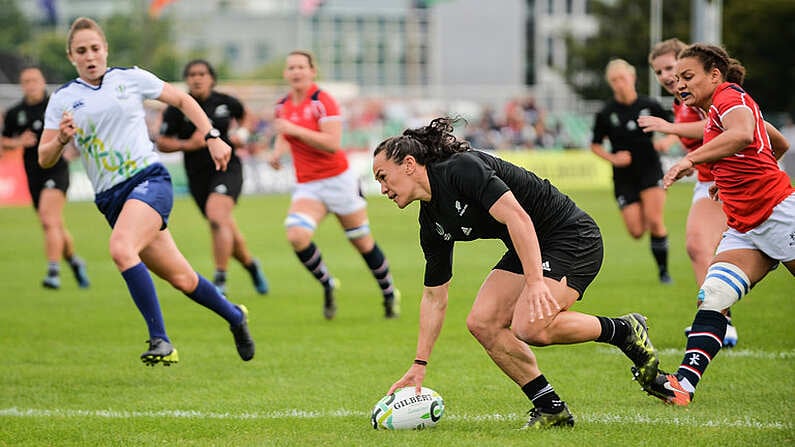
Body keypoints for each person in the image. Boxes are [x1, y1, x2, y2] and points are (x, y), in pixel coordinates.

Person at [373, 117, 661, 429]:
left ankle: (624, 331)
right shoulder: (432, 223)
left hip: (570, 235)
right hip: (529, 244)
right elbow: (434, 297)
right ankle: (550, 408)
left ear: (409, 164)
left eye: (383, 176)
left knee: (530, 326)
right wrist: (419, 363)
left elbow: (517, 217)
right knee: (482, 322)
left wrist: (536, 282)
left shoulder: (461, 169)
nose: (382, 188)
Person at [38, 17, 255, 366]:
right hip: (111, 199)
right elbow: (44, 157)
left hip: (149, 181)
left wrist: (212, 136)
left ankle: (161, 340)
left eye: (95, 48)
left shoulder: (129, 78)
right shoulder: (63, 99)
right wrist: (61, 139)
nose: (90, 55)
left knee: (122, 249)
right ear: (71, 56)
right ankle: (235, 317)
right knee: (183, 278)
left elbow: (183, 100)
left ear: (105, 48)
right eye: (81, 51)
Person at [642, 44, 793, 406]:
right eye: (677, 79)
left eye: (687, 77)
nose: (679, 84)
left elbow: (743, 133)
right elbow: (777, 142)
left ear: (714, 75)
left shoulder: (729, 96)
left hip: (778, 213)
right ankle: (683, 385)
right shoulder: (711, 111)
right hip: (745, 225)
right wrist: (732, 181)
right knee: (714, 297)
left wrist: (687, 160)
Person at [268, 50, 399, 319]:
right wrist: (278, 151)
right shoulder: (282, 105)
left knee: (362, 243)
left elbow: (331, 144)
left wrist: (294, 131)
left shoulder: (322, 101)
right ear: (285, 73)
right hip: (308, 185)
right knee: (296, 236)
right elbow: (285, 132)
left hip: (338, 180)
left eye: (301, 67)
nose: (296, 72)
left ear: (312, 71)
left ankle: (388, 292)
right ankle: (327, 283)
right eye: (291, 67)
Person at [156, 59, 269, 296]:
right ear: (187, 79)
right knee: (223, 224)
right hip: (197, 175)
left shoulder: (225, 102)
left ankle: (220, 279)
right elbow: (162, 142)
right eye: (192, 74)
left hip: (228, 168)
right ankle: (251, 265)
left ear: (211, 78)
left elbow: (247, 116)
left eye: (202, 74)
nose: (197, 78)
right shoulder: (178, 107)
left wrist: (243, 133)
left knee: (217, 217)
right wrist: (188, 144)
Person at [1, 66, 90, 290]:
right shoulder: (15, 113)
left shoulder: (57, 106)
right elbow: (4, 142)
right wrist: (17, 142)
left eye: (35, 80)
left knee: (49, 219)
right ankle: (74, 261)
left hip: (56, 169)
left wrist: (74, 150)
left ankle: (53, 272)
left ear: (42, 82)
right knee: (53, 224)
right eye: (26, 81)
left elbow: (79, 131)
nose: (31, 84)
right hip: (32, 172)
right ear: (22, 85)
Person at [591, 59, 673, 284]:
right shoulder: (606, 113)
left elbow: (673, 128)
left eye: (622, 78)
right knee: (636, 231)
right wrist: (613, 158)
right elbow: (595, 145)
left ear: (633, 78)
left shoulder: (650, 105)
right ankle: (647, 213)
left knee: (655, 221)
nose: (619, 83)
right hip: (624, 176)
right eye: (614, 80)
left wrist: (668, 141)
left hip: (650, 169)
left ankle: (664, 272)